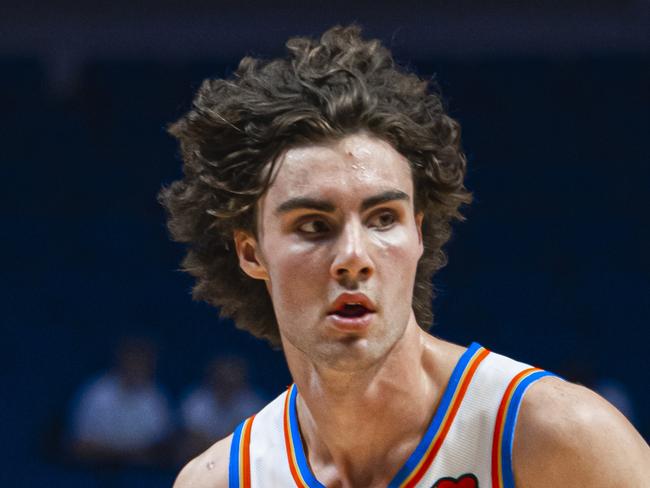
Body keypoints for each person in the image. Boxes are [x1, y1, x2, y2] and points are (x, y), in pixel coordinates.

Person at [160, 25, 649, 488]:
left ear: (418, 234)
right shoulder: (221, 478)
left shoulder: (562, 439)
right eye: (313, 226)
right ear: (251, 252)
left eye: (382, 219)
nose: (354, 257)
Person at [68, 336, 173, 468]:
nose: (136, 366)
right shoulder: (96, 393)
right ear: (121, 361)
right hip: (95, 469)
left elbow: (162, 448)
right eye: (132, 360)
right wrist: (119, 455)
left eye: (141, 361)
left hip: (140, 473)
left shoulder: (157, 399)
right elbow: (79, 444)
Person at [177, 355, 266, 462]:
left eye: (232, 382)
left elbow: (250, 442)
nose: (227, 387)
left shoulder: (252, 404)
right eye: (222, 380)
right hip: (202, 461)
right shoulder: (197, 401)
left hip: (240, 463)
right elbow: (194, 440)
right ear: (213, 380)